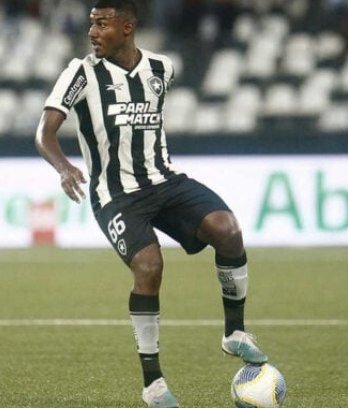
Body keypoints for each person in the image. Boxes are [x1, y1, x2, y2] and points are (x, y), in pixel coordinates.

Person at [34, 1, 267, 407]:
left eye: (102, 24)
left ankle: (235, 333)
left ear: (127, 28)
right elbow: (44, 132)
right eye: (91, 23)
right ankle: (153, 384)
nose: (92, 32)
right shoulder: (81, 72)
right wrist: (63, 167)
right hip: (116, 195)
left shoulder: (162, 68)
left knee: (227, 230)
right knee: (149, 266)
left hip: (164, 180)